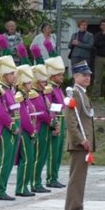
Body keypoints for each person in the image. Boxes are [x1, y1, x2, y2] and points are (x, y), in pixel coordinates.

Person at [64, 61, 96, 210]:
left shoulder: (81, 93)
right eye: (83, 75)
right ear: (75, 76)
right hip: (79, 144)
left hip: (84, 143)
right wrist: (81, 139)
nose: (87, 77)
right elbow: (70, 121)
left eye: (88, 75)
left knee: (79, 179)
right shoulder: (75, 93)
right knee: (76, 180)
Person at [0, 55, 18, 200]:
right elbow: (1, 112)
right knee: (4, 160)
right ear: (4, 75)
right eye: (11, 73)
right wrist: (12, 125)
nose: (14, 76)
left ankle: (4, 188)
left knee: (10, 160)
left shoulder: (10, 90)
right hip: (4, 129)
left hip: (13, 128)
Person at [13, 64, 37, 197]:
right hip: (24, 132)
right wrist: (32, 130)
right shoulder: (19, 96)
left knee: (30, 159)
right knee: (26, 159)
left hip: (29, 131)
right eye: (28, 82)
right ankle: (21, 187)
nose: (31, 84)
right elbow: (23, 117)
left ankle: (24, 185)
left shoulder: (26, 96)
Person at [44, 54, 67, 189]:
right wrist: (54, 123)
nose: (61, 77)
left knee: (59, 151)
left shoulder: (58, 88)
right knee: (53, 152)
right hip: (56, 121)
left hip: (62, 120)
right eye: (59, 75)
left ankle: (55, 176)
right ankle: (51, 178)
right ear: (52, 76)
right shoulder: (49, 89)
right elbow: (49, 106)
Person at [29, 63, 52, 195]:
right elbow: (41, 112)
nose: (45, 82)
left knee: (43, 156)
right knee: (38, 156)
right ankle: (34, 182)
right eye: (42, 80)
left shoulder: (41, 93)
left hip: (45, 127)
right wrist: (51, 121)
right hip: (39, 127)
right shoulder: (33, 94)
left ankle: (38, 181)